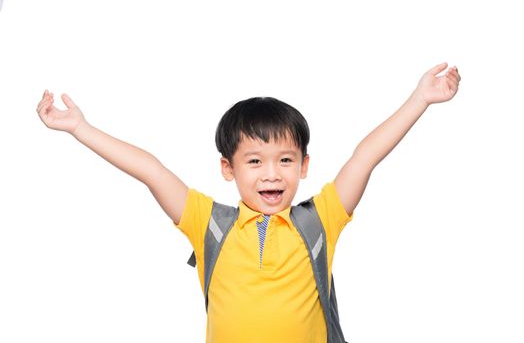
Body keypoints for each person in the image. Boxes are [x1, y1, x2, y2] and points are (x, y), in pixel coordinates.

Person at [36, 62, 461, 343]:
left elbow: (365, 156)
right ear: (228, 169)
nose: (272, 173)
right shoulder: (209, 223)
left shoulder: (320, 219)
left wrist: (420, 99)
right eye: (254, 161)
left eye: (285, 160)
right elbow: (151, 170)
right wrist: (80, 129)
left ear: (304, 165)